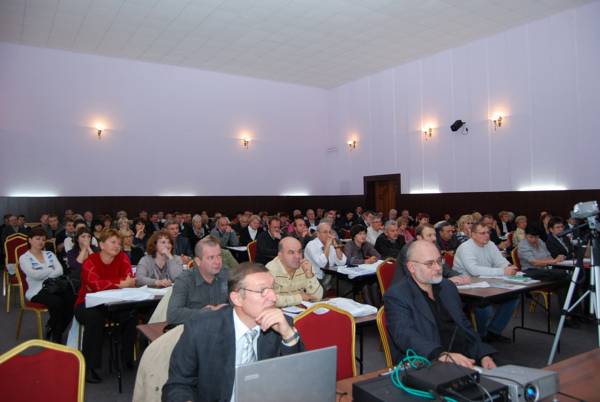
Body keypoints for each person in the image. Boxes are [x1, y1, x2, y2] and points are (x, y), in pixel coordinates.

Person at [162, 262, 304, 402]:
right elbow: (178, 385)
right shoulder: (202, 328)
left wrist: (289, 336)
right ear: (237, 299)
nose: (274, 297)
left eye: (273, 288)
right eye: (262, 291)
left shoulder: (281, 325)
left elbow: (300, 381)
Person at [384, 240, 496, 369]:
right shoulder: (397, 295)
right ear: (412, 267)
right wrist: (441, 355)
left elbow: (463, 325)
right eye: (430, 264)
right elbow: (405, 335)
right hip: (427, 361)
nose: (438, 268)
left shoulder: (448, 287)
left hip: (463, 358)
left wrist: (482, 354)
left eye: (439, 261)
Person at [74, 229, 137, 383]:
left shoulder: (122, 258)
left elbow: (129, 280)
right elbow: (94, 285)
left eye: (119, 243)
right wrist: (119, 283)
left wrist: (116, 284)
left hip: (115, 302)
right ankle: (90, 367)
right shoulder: (90, 261)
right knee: (95, 318)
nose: (117, 246)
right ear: (101, 245)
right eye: (113, 242)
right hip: (87, 304)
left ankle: (126, 358)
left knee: (131, 314)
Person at [453, 222, 519, 342]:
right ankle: (481, 336)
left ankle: (493, 331)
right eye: (482, 233)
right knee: (485, 308)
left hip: (488, 283)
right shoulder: (465, 248)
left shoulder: (491, 244)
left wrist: (509, 267)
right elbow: (474, 271)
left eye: (488, 232)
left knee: (513, 297)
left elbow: (500, 262)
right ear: (473, 234)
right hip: (468, 287)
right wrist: (502, 271)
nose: (487, 235)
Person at [19, 227, 75, 344]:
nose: (41, 242)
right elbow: (34, 275)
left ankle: (52, 326)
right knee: (57, 302)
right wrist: (50, 270)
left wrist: (44, 272)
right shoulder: (24, 258)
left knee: (72, 299)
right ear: (30, 240)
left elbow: (60, 271)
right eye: (37, 239)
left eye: (43, 239)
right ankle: (56, 336)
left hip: (54, 287)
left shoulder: (49, 254)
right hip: (36, 291)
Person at [166, 236, 230, 325]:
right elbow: (173, 315)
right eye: (211, 257)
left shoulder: (226, 274)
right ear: (198, 261)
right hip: (193, 327)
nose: (217, 262)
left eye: (219, 256)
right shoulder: (185, 280)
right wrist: (207, 312)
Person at [266, 237, 323, 307]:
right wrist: (300, 298)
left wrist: (310, 275)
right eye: (291, 252)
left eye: (299, 252)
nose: (297, 256)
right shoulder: (270, 270)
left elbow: (318, 297)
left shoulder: (305, 267)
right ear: (280, 256)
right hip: (278, 312)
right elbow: (269, 300)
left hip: (300, 310)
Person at [66, 226, 98, 293]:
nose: (86, 239)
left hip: (94, 278)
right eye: (83, 236)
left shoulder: (96, 250)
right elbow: (75, 266)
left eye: (89, 236)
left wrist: (88, 248)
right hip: (78, 281)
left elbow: (98, 264)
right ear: (77, 239)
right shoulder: (71, 252)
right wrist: (84, 248)